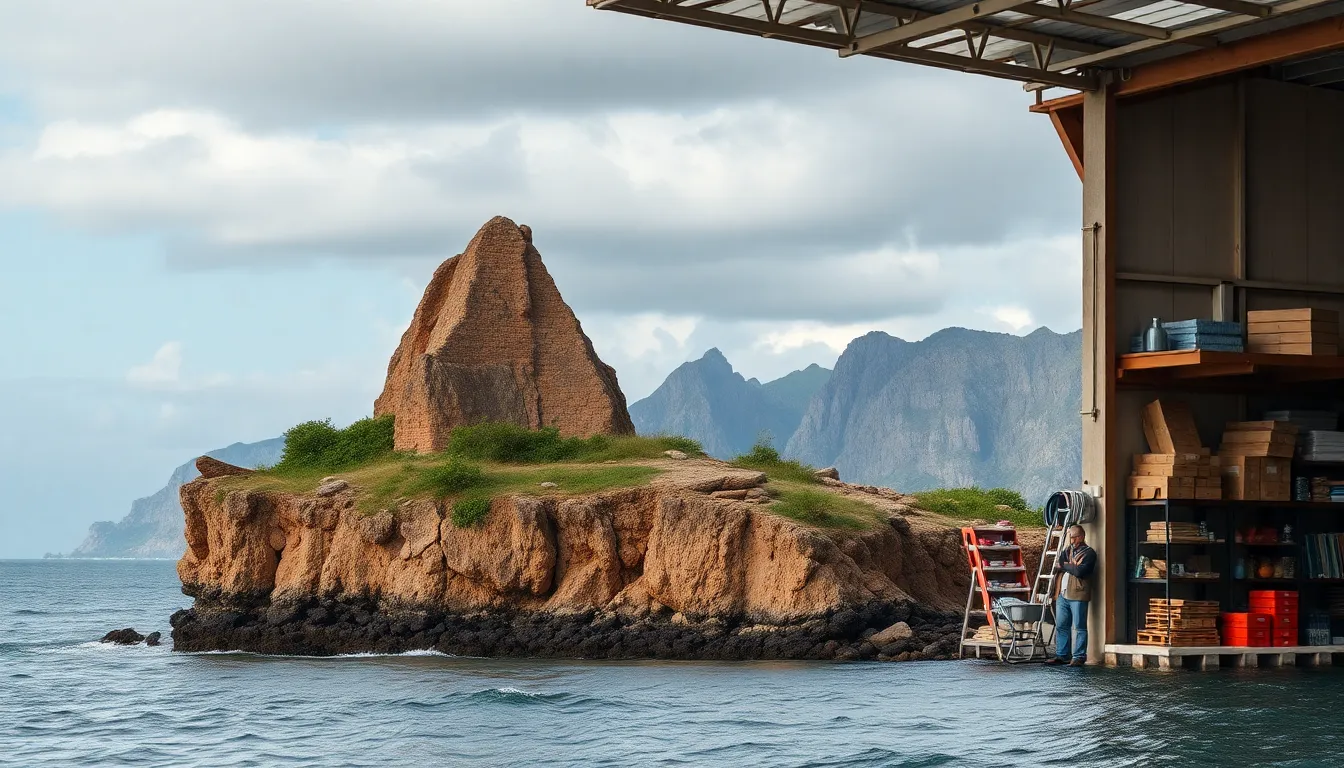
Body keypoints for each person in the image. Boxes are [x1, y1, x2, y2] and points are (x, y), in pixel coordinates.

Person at [1044, 525, 1096, 667]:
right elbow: (1059, 563)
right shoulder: (1067, 550)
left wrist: (1066, 566)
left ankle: (1079, 656)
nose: (1072, 541)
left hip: (1078, 593)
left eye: (1074, 537)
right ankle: (1062, 655)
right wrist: (1070, 566)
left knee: (1079, 626)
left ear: (1081, 537)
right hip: (1063, 593)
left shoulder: (1089, 553)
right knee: (1061, 625)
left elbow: (1080, 571)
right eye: (1070, 537)